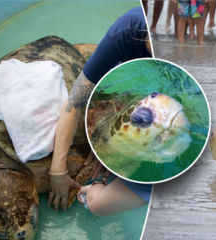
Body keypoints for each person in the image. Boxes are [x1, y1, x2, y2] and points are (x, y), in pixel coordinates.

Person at [47, 7, 153, 213]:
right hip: (129, 85)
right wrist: (57, 170)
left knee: (99, 203)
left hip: (161, 100)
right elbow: (74, 103)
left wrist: (112, 149)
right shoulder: (126, 32)